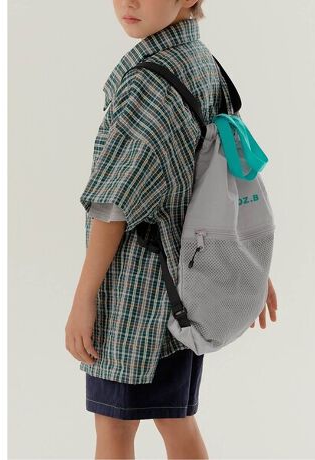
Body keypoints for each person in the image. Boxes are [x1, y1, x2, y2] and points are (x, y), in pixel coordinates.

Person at [65, 1, 278, 459]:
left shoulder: (149, 84)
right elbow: (232, 175)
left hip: (136, 294)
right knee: (175, 418)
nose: (129, 2)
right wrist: (248, 266)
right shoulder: (204, 64)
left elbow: (113, 207)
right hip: (188, 287)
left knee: (113, 426)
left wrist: (84, 298)